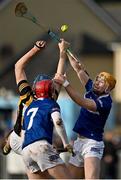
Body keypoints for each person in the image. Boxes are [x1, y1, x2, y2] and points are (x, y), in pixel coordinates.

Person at [54, 40, 116, 179]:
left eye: (101, 81)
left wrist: (65, 83)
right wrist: (67, 51)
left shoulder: (105, 102)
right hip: (79, 142)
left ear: (107, 88)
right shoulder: (92, 89)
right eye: (97, 78)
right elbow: (78, 69)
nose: (96, 82)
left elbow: (80, 101)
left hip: (92, 144)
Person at [14, 40, 73, 179]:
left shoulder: (27, 95)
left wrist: (35, 49)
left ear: (35, 88)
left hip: (24, 146)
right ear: (51, 90)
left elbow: (18, 67)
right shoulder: (50, 101)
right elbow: (59, 76)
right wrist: (62, 52)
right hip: (36, 142)